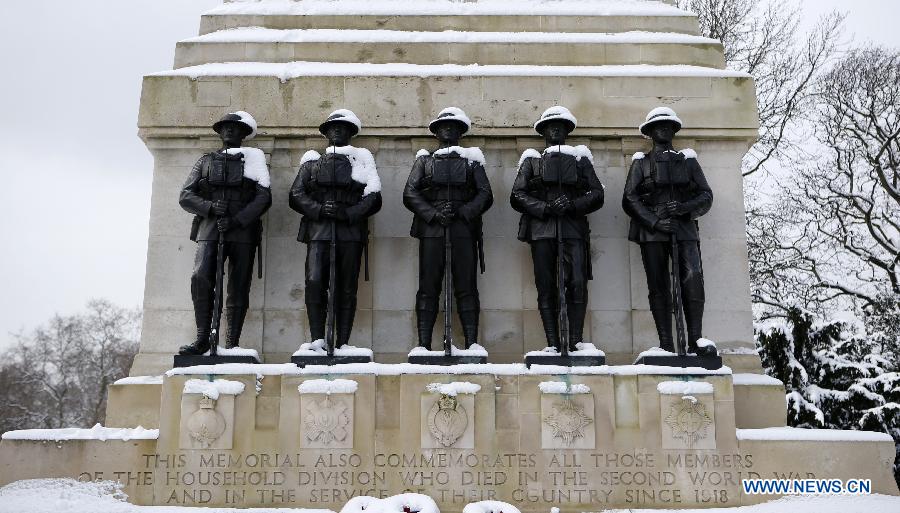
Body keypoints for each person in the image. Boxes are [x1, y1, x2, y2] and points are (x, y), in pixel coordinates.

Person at [622, 106, 716, 356]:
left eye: (667, 125)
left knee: (693, 281)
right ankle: (666, 343)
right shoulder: (641, 163)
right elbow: (629, 198)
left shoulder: (687, 160)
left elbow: (706, 195)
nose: (663, 129)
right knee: (658, 285)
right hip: (652, 230)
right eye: (657, 126)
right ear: (650, 132)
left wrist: (684, 208)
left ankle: (695, 339)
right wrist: (654, 221)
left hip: (683, 228)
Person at [511, 106, 605, 352]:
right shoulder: (532, 160)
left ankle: (574, 340)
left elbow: (597, 193)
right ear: (543, 131)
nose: (556, 129)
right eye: (551, 126)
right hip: (542, 229)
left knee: (576, 282)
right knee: (546, 285)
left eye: (561, 126)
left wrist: (572, 205)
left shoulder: (580, 158)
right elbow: (517, 195)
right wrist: (545, 207)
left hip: (573, 228)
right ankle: (553, 342)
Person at [178, 111, 272, 355]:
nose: (229, 131)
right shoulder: (205, 161)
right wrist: (210, 207)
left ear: (244, 133)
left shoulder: (254, 159)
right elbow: (186, 196)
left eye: (235, 127)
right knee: (201, 278)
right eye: (225, 127)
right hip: (210, 229)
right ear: (219, 132)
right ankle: (202, 338)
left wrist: (237, 220)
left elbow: (264, 197)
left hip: (242, 231)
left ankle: (232, 341)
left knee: (238, 285)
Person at [289, 109, 382, 348]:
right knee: (315, 283)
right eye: (333, 128)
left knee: (347, 288)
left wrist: (348, 212)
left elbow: (374, 197)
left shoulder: (362, 159)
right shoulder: (312, 161)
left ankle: (343, 342)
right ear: (326, 133)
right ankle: (318, 339)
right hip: (318, 232)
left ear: (351, 133)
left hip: (350, 233)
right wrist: (319, 209)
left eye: (343, 128)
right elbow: (296, 194)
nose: (337, 131)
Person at [403, 107, 493, 349]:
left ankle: (472, 343)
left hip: (463, 229)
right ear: (436, 132)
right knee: (428, 286)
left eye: (454, 126)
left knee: (466, 286)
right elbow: (410, 193)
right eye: (444, 126)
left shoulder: (472, 162)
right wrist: (434, 213)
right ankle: (423, 345)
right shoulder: (424, 161)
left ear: (460, 132)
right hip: (432, 229)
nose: (448, 130)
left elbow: (485, 194)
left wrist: (462, 212)